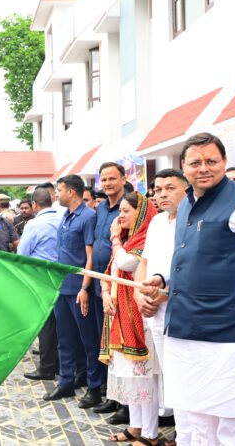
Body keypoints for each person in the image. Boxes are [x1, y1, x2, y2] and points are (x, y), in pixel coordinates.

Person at [142, 132, 235, 445]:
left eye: (212, 161)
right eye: (196, 162)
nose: (204, 168)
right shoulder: (186, 204)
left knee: (231, 426)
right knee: (191, 423)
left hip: (228, 337)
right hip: (182, 332)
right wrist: (163, 280)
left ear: (225, 162)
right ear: (183, 167)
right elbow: (190, 260)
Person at [134, 168, 190, 446]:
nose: (162, 194)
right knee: (157, 374)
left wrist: (165, 293)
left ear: (187, 190)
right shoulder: (156, 222)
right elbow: (145, 263)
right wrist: (139, 296)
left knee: (179, 375)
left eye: (170, 188)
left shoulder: (193, 221)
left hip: (178, 308)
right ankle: (157, 432)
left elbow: (192, 269)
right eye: (158, 189)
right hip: (150, 309)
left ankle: (184, 434)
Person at [100, 192, 159, 445]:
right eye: (119, 211)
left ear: (142, 213)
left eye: (126, 211)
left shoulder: (146, 238)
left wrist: (114, 238)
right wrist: (104, 293)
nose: (120, 216)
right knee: (130, 376)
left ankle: (150, 434)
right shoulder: (128, 238)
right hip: (119, 314)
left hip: (138, 317)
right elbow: (110, 270)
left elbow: (125, 262)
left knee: (144, 376)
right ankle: (135, 427)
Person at [43, 174, 104, 409]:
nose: (56, 194)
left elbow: (90, 258)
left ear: (72, 192)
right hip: (62, 287)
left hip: (79, 290)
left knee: (88, 341)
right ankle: (66, 382)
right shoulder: (66, 216)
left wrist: (85, 288)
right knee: (65, 339)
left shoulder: (88, 217)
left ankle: (94, 387)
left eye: (59, 190)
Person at [91, 162, 130, 422]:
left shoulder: (131, 206)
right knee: (106, 345)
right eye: (103, 179)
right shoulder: (101, 208)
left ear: (124, 179)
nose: (107, 184)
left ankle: (128, 405)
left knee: (125, 346)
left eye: (112, 178)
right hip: (102, 286)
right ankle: (113, 397)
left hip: (123, 287)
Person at [18, 187, 63, 381]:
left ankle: (46, 368)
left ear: (35, 205)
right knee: (62, 325)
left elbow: (22, 254)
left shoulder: (34, 224)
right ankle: (61, 364)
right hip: (64, 277)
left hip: (42, 279)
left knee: (46, 324)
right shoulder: (63, 218)